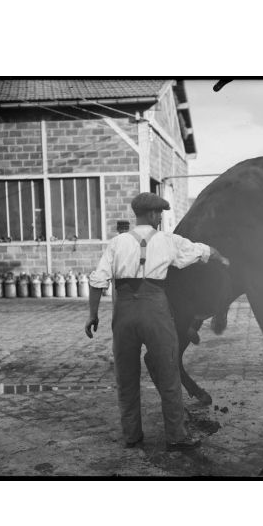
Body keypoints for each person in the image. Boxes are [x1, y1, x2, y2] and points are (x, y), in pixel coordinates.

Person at [85, 192, 230, 451]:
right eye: (159, 215)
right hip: (155, 310)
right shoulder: (168, 241)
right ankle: (176, 436)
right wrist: (222, 259)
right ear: (152, 215)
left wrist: (92, 315)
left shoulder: (117, 243)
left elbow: (98, 280)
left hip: (125, 312)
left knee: (127, 377)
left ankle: (132, 436)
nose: (160, 219)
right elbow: (203, 251)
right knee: (168, 374)